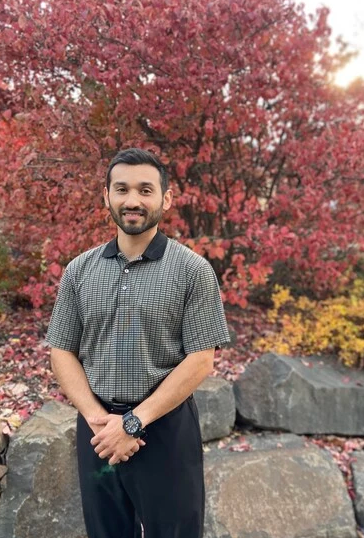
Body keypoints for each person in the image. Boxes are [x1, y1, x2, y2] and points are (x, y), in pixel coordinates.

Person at [45, 148, 230, 538]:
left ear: (165, 199)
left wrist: (132, 423)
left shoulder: (192, 270)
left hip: (164, 429)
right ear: (106, 196)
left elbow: (201, 361)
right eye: (122, 189)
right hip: (97, 431)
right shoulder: (79, 271)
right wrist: (99, 420)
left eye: (145, 190)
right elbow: (61, 349)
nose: (132, 200)